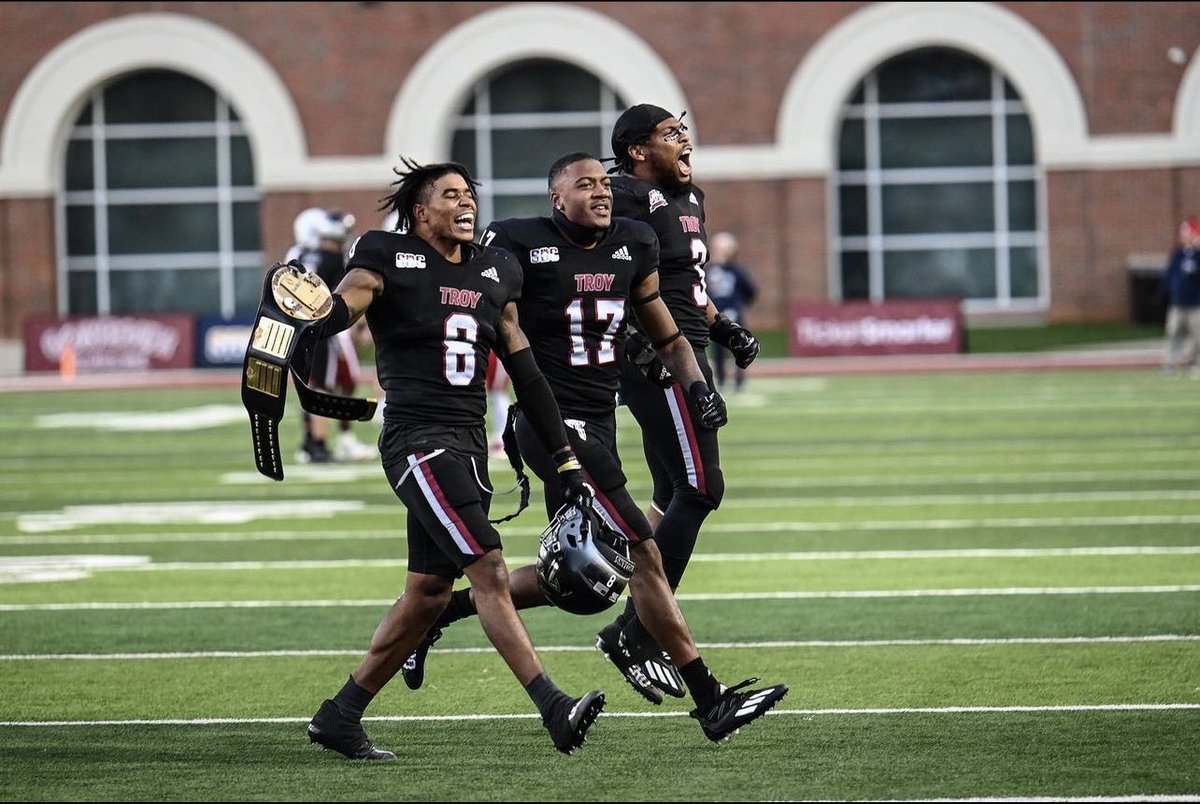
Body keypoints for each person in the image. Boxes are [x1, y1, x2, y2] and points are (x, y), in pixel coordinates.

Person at [398, 152, 787, 742]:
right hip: (552, 425)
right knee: (642, 548)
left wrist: (698, 385)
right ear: (558, 199)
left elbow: (664, 327)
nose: (602, 193)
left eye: (605, 184)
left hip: (597, 421)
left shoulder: (633, 241)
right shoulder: (518, 243)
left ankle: (438, 614)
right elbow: (468, 294)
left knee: (580, 574)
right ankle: (708, 698)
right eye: (586, 185)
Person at [304, 158, 605, 761]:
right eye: (450, 195)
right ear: (420, 210)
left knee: (428, 595)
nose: (466, 204)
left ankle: (339, 717)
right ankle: (552, 706)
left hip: (468, 445)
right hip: (416, 439)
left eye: (470, 194)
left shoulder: (496, 271)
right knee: (488, 568)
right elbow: (342, 309)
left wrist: (566, 460)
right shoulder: (387, 254)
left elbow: (526, 372)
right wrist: (306, 312)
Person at [600, 104, 762, 697]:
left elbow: (686, 289)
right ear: (637, 150)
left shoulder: (690, 199)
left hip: (686, 346)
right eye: (671, 134)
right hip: (661, 358)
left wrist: (723, 330)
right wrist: (632, 342)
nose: (685, 142)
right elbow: (604, 277)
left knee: (672, 496)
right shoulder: (620, 196)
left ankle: (615, 568)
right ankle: (633, 632)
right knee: (702, 487)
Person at [286, 207, 377, 463]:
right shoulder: (332, 259)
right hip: (319, 331)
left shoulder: (302, 255)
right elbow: (344, 299)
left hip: (297, 329)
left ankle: (309, 442)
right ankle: (318, 445)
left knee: (311, 385)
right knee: (323, 388)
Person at [705, 231, 758, 393]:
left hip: (733, 313)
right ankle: (720, 379)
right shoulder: (708, 270)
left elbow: (750, 290)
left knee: (740, 345)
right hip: (714, 315)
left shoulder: (737, 270)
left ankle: (739, 380)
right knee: (718, 349)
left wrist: (740, 305)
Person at [1161, 216, 1200, 376]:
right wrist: (1167, 293)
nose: (1182, 234)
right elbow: (1170, 275)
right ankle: (1170, 365)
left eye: (1185, 230)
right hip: (1178, 303)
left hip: (1196, 304)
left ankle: (1195, 364)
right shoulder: (1178, 254)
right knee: (1173, 334)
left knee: (1197, 337)